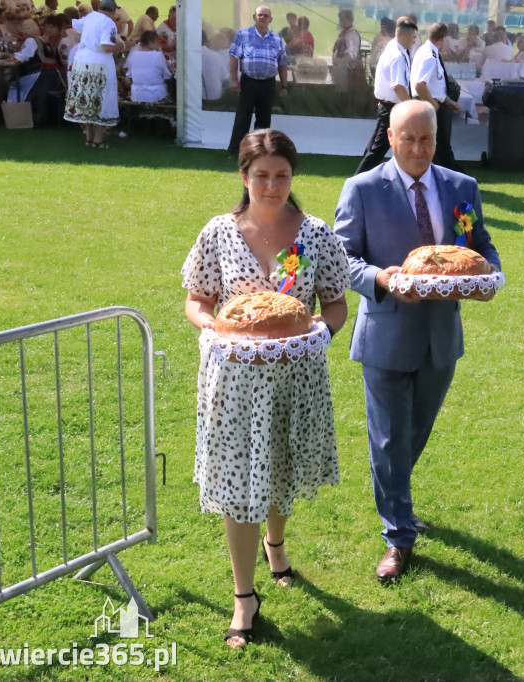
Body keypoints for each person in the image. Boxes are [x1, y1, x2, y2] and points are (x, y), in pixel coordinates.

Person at [182, 128, 350, 648]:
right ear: (244, 176)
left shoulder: (316, 234)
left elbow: (336, 302)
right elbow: (197, 299)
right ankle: (243, 597)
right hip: (232, 381)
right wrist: (210, 327)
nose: (272, 185)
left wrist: (323, 329)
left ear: (292, 176)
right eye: (261, 176)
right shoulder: (218, 232)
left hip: (295, 377)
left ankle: (275, 543)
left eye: (281, 175)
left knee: (278, 467)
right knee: (238, 486)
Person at [335, 99, 500, 584]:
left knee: (412, 435)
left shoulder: (460, 186)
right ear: (390, 138)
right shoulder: (362, 189)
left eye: (426, 138)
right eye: (407, 138)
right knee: (388, 439)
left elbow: (478, 243)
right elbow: (341, 260)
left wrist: (487, 268)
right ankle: (398, 536)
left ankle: (398, 502)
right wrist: (382, 279)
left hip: (441, 336)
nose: (417, 148)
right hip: (386, 332)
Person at [355, 16, 416, 175]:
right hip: (392, 107)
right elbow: (398, 86)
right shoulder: (398, 56)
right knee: (378, 149)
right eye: (414, 37)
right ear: (406, 36)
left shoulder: (392, 46)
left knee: (374, 147)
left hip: (386, 104)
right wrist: (411, 107)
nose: (414, 41)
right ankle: (357, 180)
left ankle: (361, 179)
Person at [227, 6, 288, 156]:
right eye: (260, 15)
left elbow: (283, 63)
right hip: (249, 82)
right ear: (255, 17)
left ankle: (260, 152)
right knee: (243, 117)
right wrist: (234, 80)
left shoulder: (277, 39)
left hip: (268, 83)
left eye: (266, 16)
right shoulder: (243, 34)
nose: (262, 18)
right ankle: (236, 150)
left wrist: (284, 86)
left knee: (264, 119)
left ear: (270, 19)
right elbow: (234, 57)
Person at [63, 0, 123, 147]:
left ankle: (89, 137)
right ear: (113, 11)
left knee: (87, 101)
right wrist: (120, 46)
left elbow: (76, 25)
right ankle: (99, 139)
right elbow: (107, 46)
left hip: (82, 61)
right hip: (99, 64)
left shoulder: (89, 17)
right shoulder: (108, 23)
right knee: (103, 100)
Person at [411, 22, 461, 172]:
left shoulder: (428, 52)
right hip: (428, 106)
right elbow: (420, 85)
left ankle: (447, 175)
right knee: (441, 145)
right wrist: (433, 103)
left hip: (432, 103)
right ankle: (452, 178)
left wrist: (448, 101)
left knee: (439, 145)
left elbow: (434, 85)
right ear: (443, 38)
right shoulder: (429, 56)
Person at [124, 29, 170, 102]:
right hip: (156, 94)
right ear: (150, 43)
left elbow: (130, 74)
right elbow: (167, 75)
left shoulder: (133, 55)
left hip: (137, 94)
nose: (159, 44)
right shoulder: (157, 55)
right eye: (157, 42)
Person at [200, 29, 229, 101]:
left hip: (201, 99)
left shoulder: (190, 56)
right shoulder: (216, 55)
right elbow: (225, 77)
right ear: (206, 41)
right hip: (217, 96)